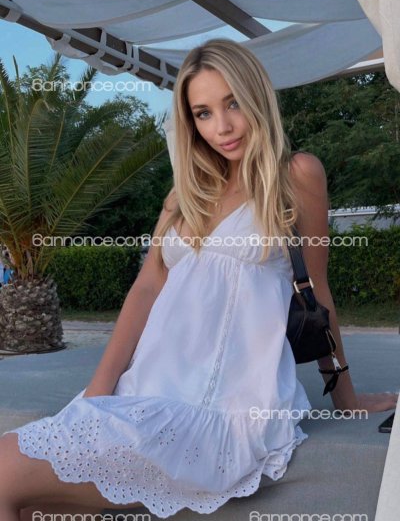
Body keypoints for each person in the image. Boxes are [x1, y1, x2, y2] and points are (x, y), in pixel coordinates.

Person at [0, 38, 397, 521]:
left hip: (222, 409)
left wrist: (346, 400)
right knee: (32, 503)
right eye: (203, 113)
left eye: (233, 103)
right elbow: (146, 289)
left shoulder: (296, 175)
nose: (222, 127)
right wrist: (97, 395)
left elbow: (317, 289)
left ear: (257, 97)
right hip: (142, 392)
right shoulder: (183, 195)